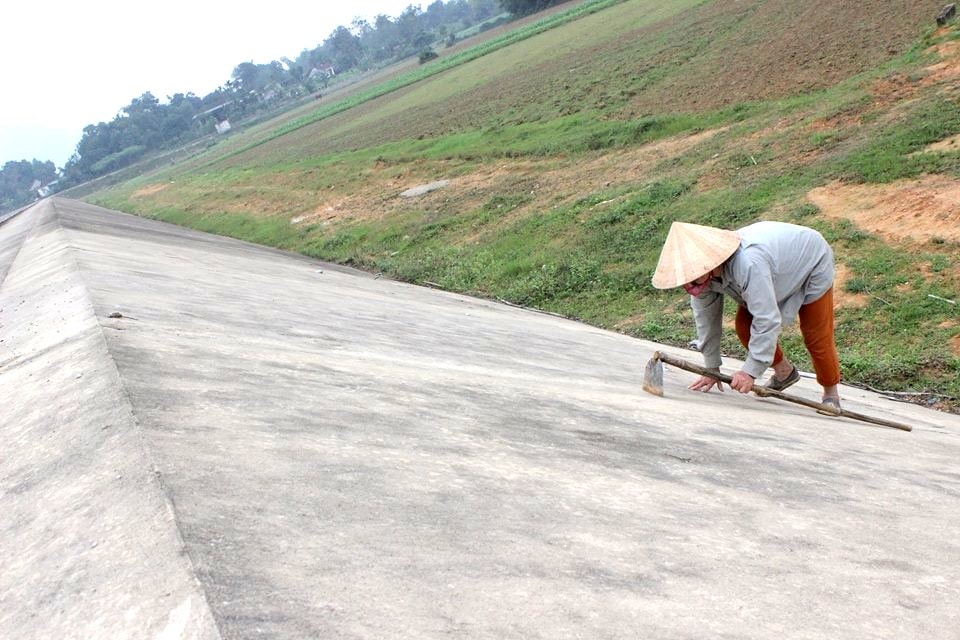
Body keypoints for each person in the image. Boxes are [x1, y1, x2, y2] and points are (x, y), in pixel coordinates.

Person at [651, 220, 841, 410]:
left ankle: (831, 394)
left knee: (815, 334)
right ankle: (785, 373)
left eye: (691, 276)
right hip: (774, 269)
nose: (688, 284)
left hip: (811, 259)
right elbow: (705, 319)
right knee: (745, 327)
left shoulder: (748, 263)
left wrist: (750, 372)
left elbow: (766, 319)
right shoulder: (699, 280)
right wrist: (711, 367)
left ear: (709, 264)